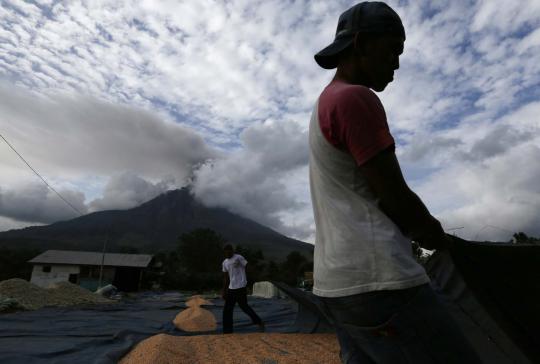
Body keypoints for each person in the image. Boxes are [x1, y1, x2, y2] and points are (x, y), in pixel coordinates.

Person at [309, 2, 480, 363]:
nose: (397, 64)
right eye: (392, 51)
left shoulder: (326, 102)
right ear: (360, 43)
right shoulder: (356, 98)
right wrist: (436, 236)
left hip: (335, 285)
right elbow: (393, 196)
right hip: (380, 281)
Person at [221, 244, 264, 334]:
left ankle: (259, 322)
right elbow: (226, 278)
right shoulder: (225, 262)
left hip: (240, 287)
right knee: (227, 310)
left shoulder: (238, 257)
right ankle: (227, 331)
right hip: (231, 288)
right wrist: (224, 291)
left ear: (232, 250)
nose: (228, 252)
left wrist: (252, 280)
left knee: (244, 307)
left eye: (230, 250)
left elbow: (248, 266)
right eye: (226, 251)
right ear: (224, 252)